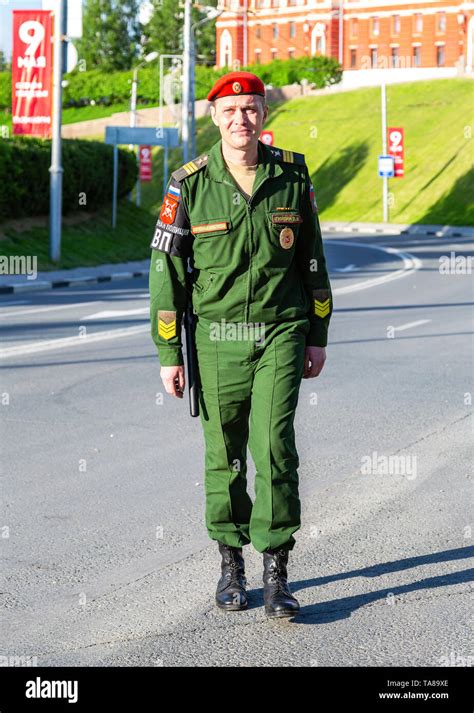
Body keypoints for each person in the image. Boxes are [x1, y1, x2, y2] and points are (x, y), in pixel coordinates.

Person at [149, 71, 333, 618]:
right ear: (214, 119)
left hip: (281, 329)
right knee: (223, 454)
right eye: (230, 112)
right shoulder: (189, 184)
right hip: (215, 337)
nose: (241, 120)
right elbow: (167, 271)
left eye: (250, 109)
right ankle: (231, 564)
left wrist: (318, 335)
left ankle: (276, 570)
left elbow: (313, 262)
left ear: (264, 115)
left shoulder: (292, 178)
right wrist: (168, 353)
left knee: (274, 446)